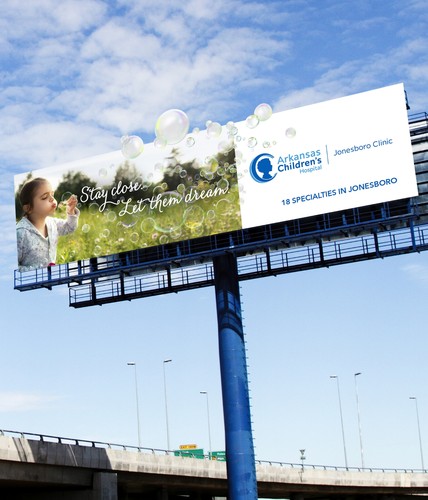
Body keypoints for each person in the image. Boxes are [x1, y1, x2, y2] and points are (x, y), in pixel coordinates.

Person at [16, 177, 80, 271]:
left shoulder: (52, 223)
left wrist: (70, 212)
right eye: (45, 197)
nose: (52, 199)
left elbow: (70, 227)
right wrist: (38, 269)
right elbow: (13, 267)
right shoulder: (21, 233)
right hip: (32, 282)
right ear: (28, 208)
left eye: (52, 195)